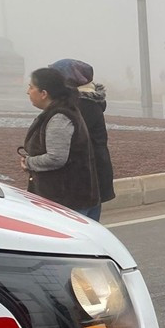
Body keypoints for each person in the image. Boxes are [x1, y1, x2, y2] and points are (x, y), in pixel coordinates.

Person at [21, 67, 99, 216]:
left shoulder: (59, 117)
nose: (28, 91)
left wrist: (29, 162)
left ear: (44, 93)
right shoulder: (61, 111)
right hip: (67, 199)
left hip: (66, 202)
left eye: (31, 87)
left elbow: (56, 158)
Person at [50, 58, 115, 221]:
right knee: (89, 227)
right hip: (93, 176)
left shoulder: (82, 106)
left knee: (79, 231)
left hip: (84, 180)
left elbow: (67, 143)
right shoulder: (88, 103)